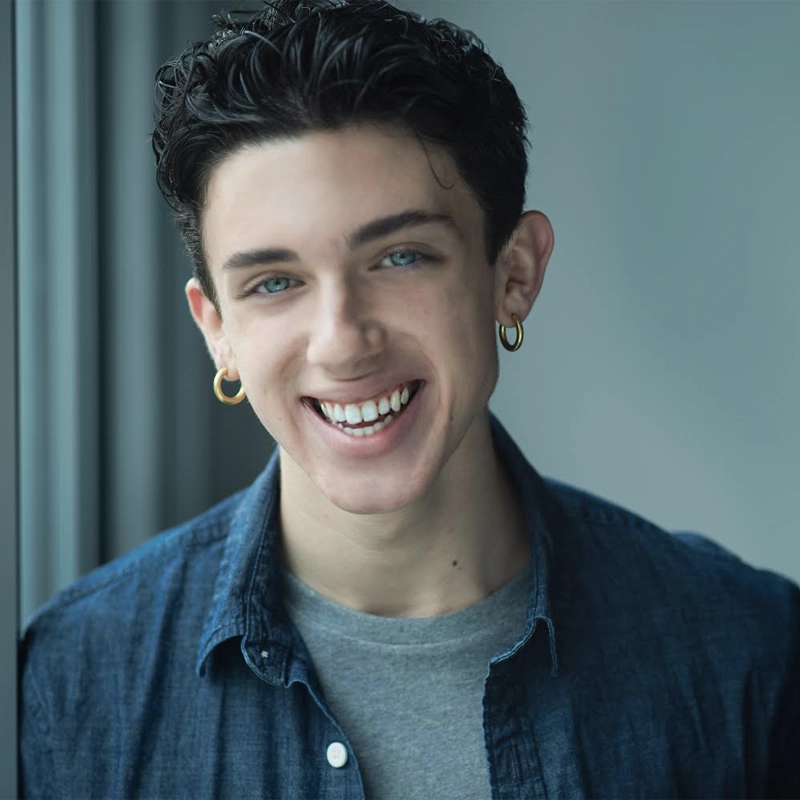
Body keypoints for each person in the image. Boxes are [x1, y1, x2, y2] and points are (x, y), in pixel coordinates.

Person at [19, 0, 799, 797]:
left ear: (514, 275)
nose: (342, 342)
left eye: (400, 258)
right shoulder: (76, 681)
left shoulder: (745, 652)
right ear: (217, 330)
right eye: (275, 283)